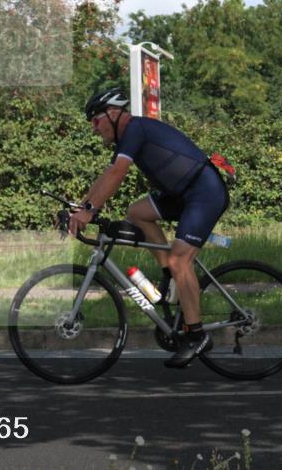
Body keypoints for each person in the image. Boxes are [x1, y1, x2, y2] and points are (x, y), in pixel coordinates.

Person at [68, 87, 230, 368]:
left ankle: (196, 335)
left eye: (95, 120)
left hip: (204, 192)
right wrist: (80, 208)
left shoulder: (136, 128)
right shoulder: (128, 138)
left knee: (182, 260)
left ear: (114, 113)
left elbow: (118, 174)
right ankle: (169, 275)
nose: (94, 129)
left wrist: (90, 211)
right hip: (181, 194)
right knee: (137, 213)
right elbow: (108, 175)